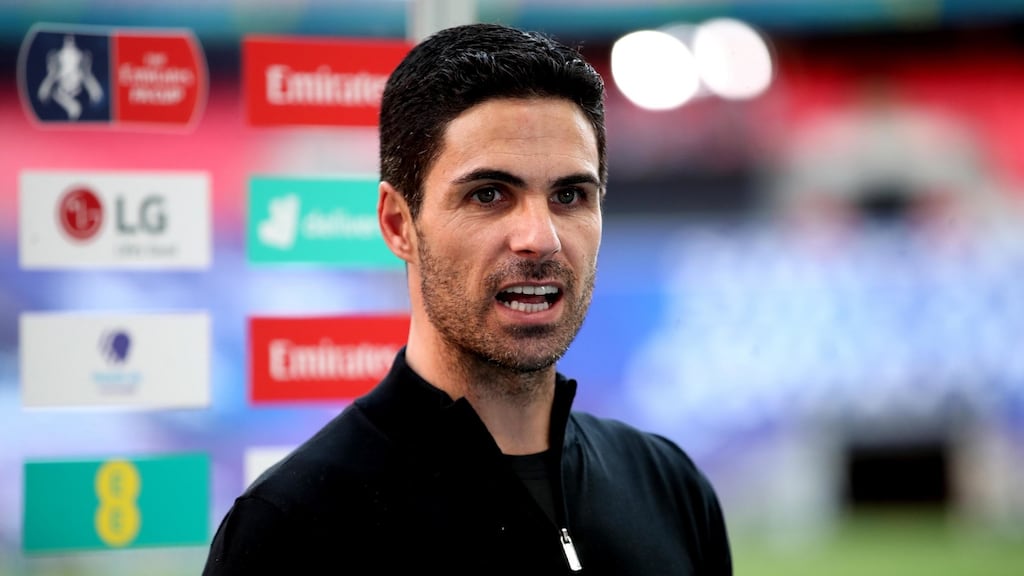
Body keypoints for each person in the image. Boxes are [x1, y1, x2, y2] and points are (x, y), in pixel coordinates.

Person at [203, 22, 732, 575]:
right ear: (397, 223)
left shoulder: (671, 489)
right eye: (489, 194)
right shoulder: (291, 528)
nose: (540, 237)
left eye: (570, 195)